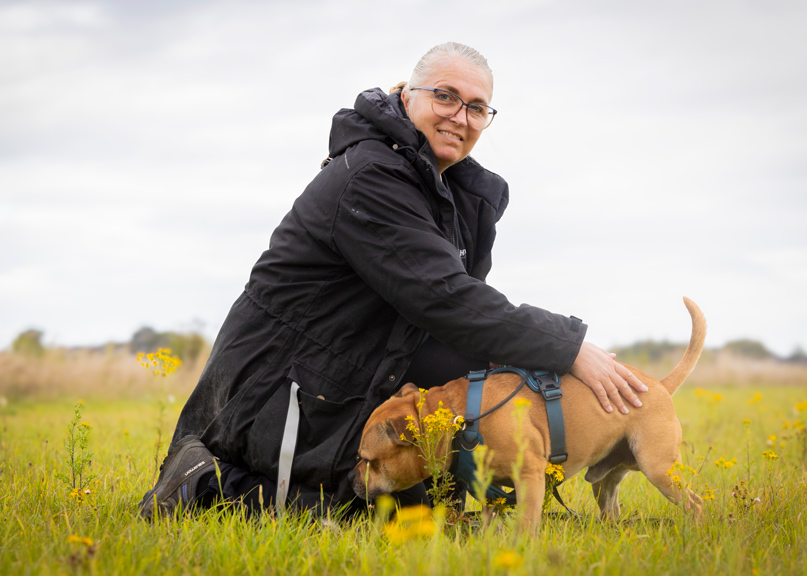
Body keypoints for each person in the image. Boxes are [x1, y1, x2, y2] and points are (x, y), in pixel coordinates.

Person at [138, 42, 647, 519]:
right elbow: (442, 297)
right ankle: (201, 483)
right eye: (445, 96)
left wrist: (527, 357)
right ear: (407, 95)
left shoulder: (454, 193)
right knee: (370, 511)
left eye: (476, 107)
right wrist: (570, 346)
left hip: (354, 363)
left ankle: (457, 492)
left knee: (488, 379)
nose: (459, 116)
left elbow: (462, 309)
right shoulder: (371, 177)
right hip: (285, 383)